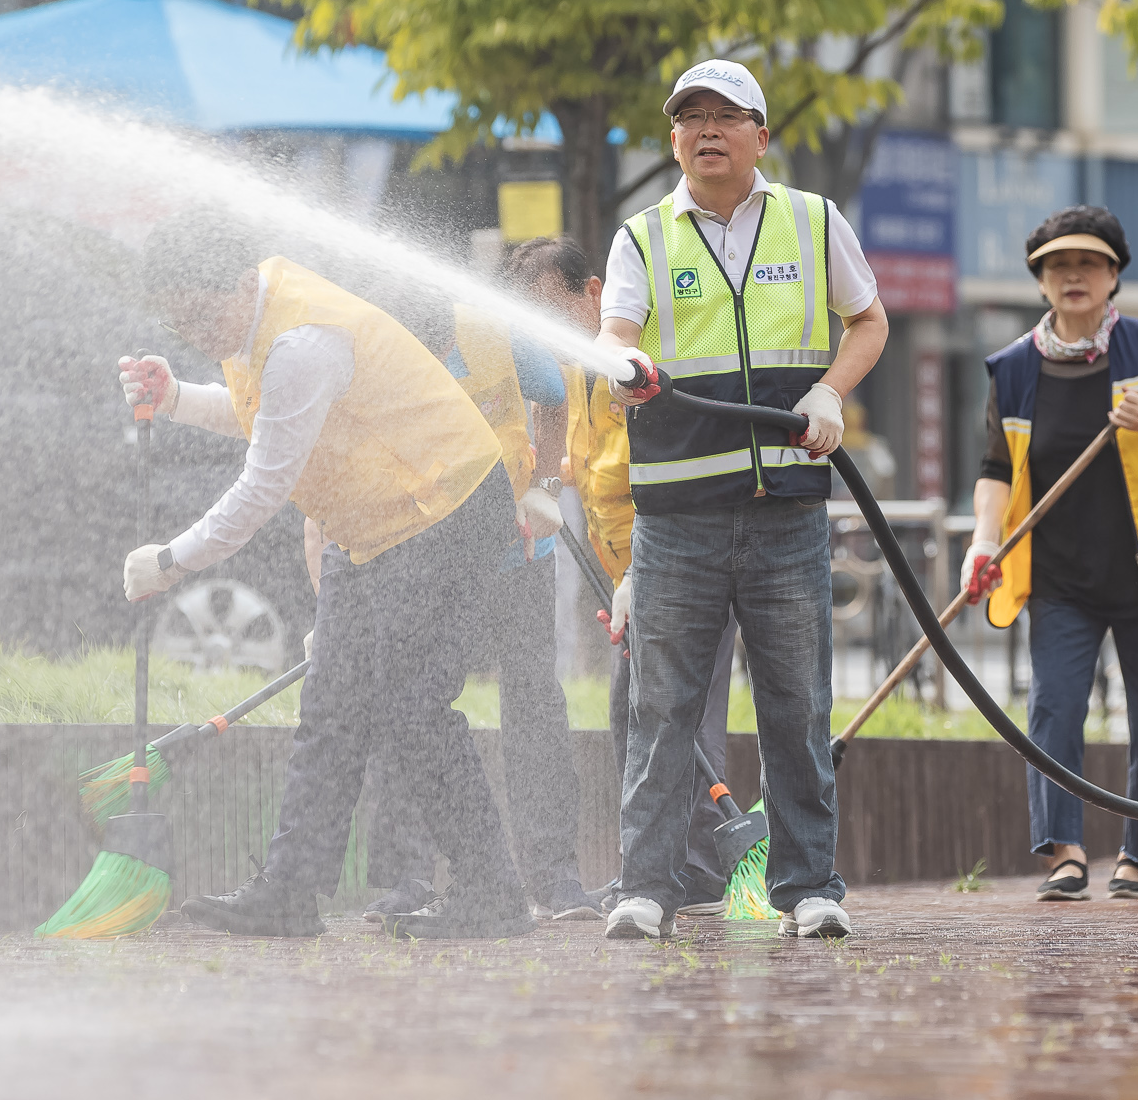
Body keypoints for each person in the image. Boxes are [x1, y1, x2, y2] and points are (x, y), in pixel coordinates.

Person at [117, 209, 531, 941]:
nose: (198, 332)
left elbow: (264, 483)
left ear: (240, 282)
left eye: (201, 311)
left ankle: (492, 892)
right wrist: (177, 395)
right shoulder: (256, 319)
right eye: (180, 321)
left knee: (412, 708)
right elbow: (265, 416)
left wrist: (171, 561)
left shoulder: (303, 340)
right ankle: (289, 893)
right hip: (372, 529)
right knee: (329, 711)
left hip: (446, 507)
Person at [596, 59, 889, 941]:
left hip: (787, 513)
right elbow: (615, 329)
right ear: (673, 138)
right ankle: (645, 888)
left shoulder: (813, 220)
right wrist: (623, 366)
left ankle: (810, 889)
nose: (707, 130)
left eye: (727, 116)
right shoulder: (641, 237)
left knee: (795, 706)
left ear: (761, 136)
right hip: (676, 520)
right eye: (691, 117)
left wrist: (830, 393)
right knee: (663, 709)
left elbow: (868, 320)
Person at [962, 206, 1138, 902]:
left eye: (1088, 263)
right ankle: (1064, 850)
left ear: (1113, 276)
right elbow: (994, 467)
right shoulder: (1014, 369)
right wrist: (985, 540)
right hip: (1060, 579)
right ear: (1041, 281)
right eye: (1057, 265)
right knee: (1053, 709)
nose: (1073, 275)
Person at [512, 233, 742, 918]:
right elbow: (575, 465)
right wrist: (545, 486)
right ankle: (679, 861)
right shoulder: (571, 375)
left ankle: (690, 865)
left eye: (556, 310)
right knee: (635, 711)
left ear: (594, 293)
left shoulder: (635, 366)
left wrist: (642, 576)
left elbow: (662, 479)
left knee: (677, 713)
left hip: (687, 560)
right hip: (636, 578)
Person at [356, 296, 597, 923]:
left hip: (518, 551)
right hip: (428, 557)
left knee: (533, 701)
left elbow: (554, 398)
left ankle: (553, 873)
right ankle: (407, 876)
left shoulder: (494, 334)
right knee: (412, 700)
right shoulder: (373, 349)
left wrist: (546, 489)